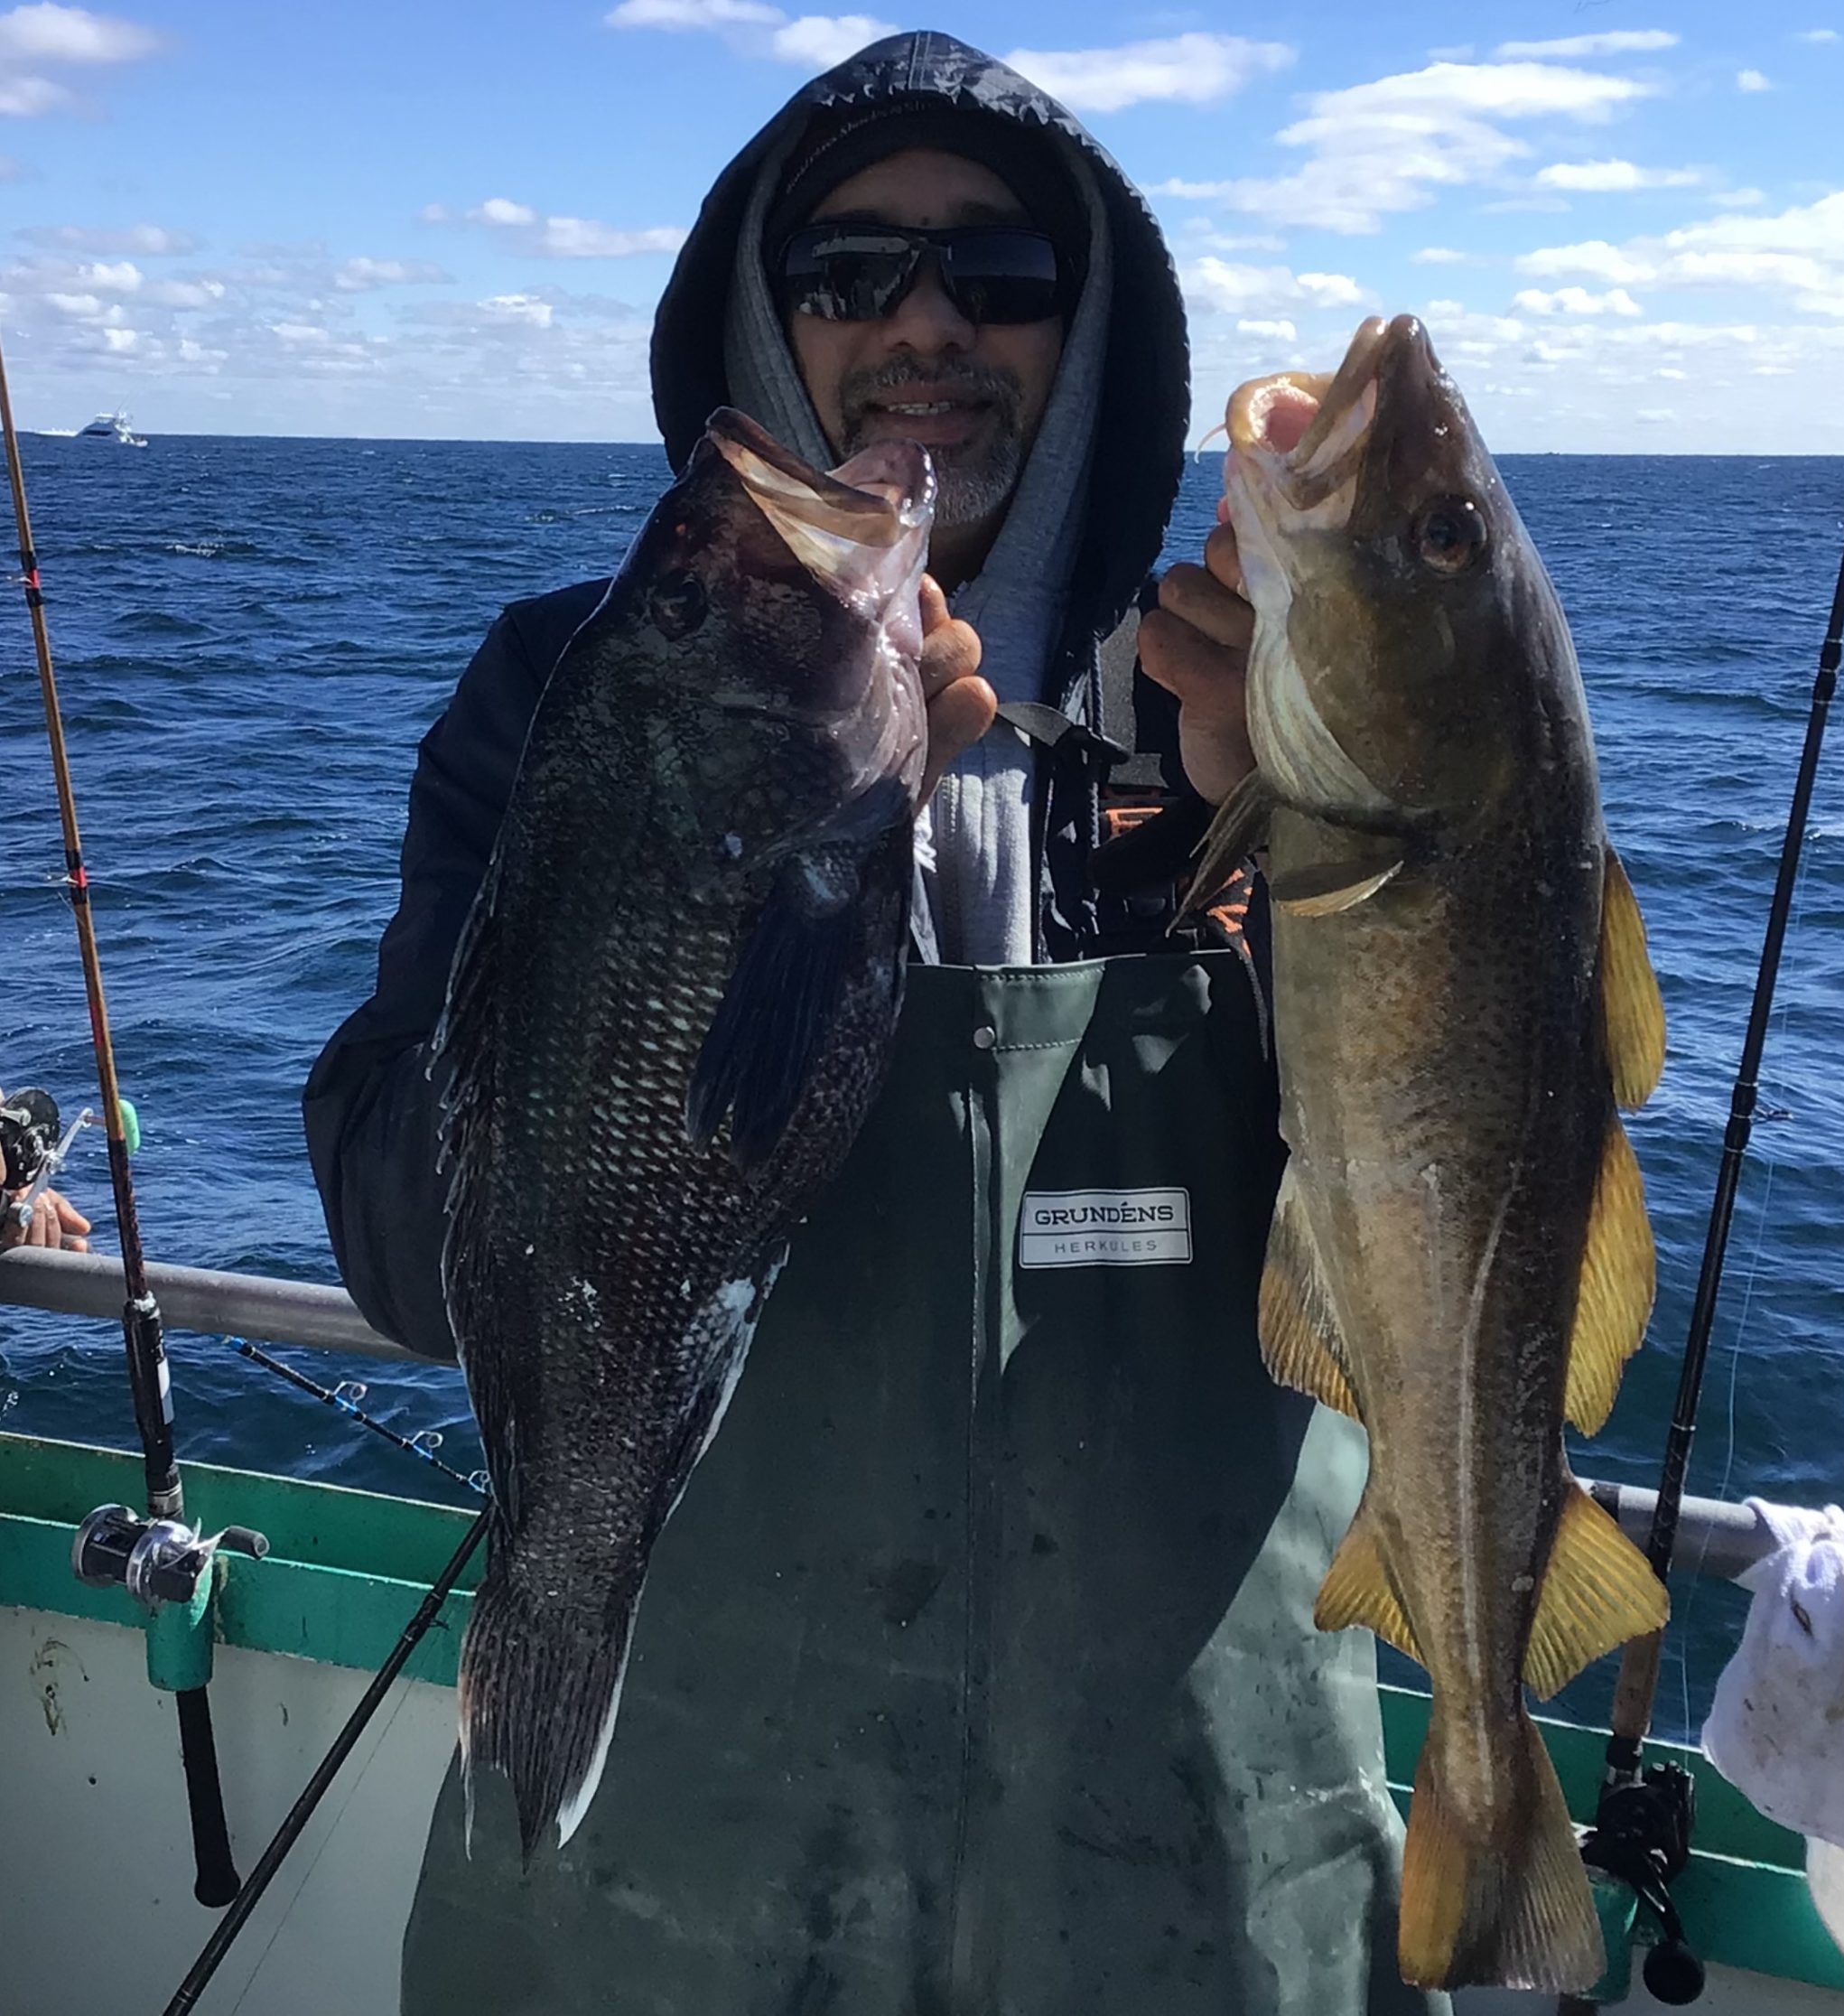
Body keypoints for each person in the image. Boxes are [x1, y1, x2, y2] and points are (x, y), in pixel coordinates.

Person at [305, 30, 1439, 2016]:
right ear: (766, 312)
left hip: (1203, 1892)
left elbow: (1434, 1247)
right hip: (668, 1881)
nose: (923, 326)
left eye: (996, 275)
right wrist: (718, 885)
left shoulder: (1265, 705)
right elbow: (407, 1254)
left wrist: (1321, 834)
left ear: (1085, 332)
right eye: (846, 272)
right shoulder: (576, 693)